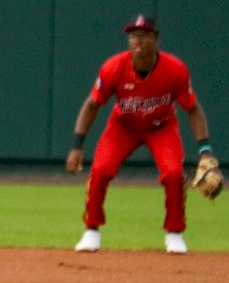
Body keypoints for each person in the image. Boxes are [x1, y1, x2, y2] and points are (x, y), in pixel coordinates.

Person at [64, 14, 215, 255]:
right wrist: (77, 146)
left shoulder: (175, 69)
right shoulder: (114, 67)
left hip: (161, 126)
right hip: (123, 126)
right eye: (133, 36)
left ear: (156, 39)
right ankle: (91, 230)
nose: (138, 41)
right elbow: (92, 105)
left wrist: (205, 151)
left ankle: (174, 233)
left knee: (174, 173)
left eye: (144, 36)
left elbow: (193, 109)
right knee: (100, 170)